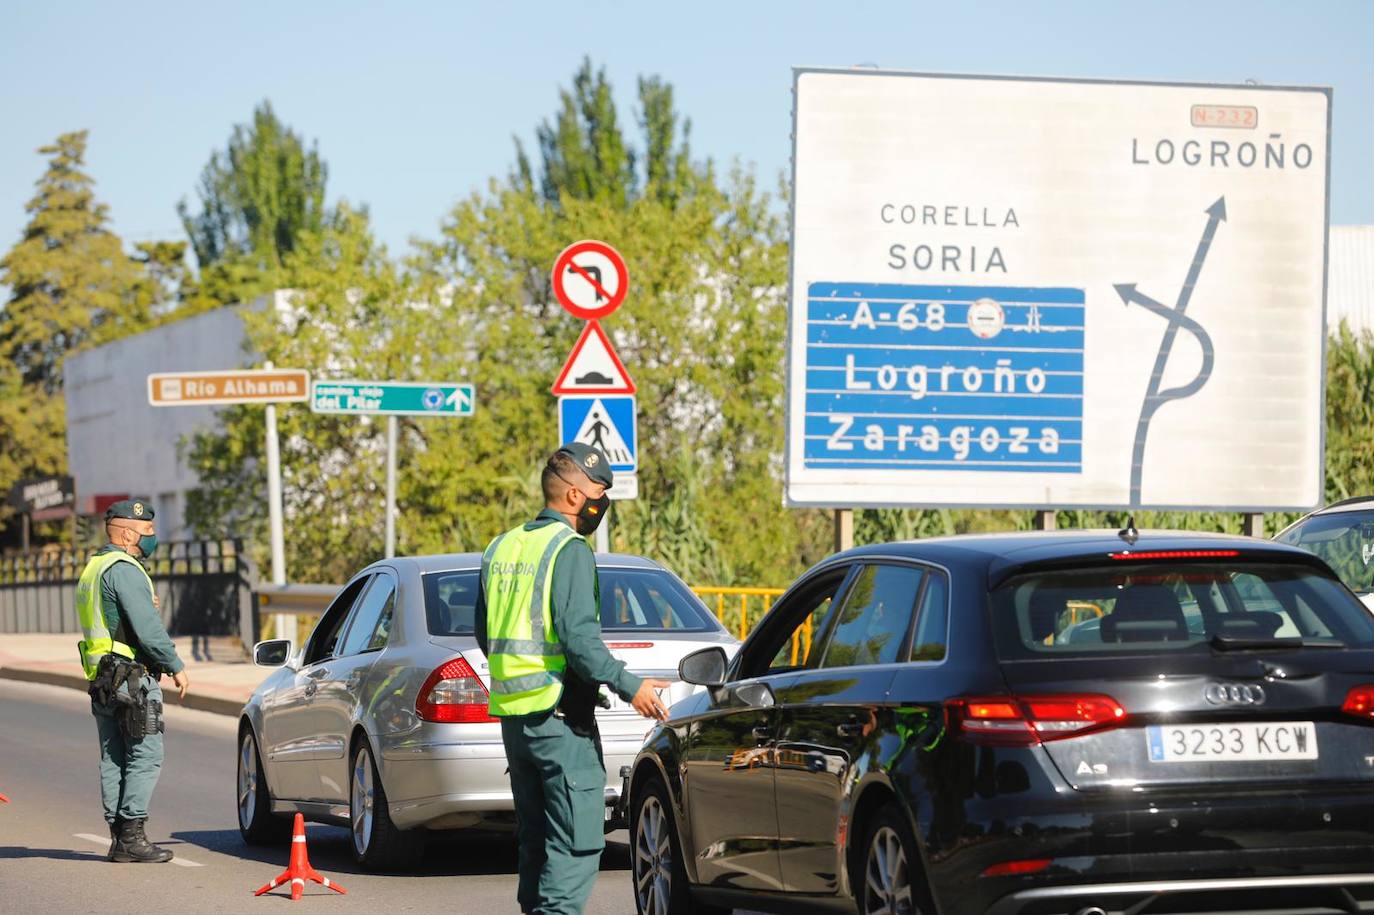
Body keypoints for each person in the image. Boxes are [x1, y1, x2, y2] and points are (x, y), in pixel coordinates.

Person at [476, 443, 670, 914]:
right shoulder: (570, 550)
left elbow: (484, 634)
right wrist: (633, 686)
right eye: (599, 492)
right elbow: (581, 645)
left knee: (537, 841)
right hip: (561, 720)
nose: (603, 503)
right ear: (574, 496)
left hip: (516, 722)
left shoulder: (502, 547)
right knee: (577, 844)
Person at [75, 499, 189, 864]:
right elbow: (147, 629)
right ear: (126, 534)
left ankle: (118, 838)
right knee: (145, 754)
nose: (153, 538)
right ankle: (132, 836)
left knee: (113, 756)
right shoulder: (124, 569)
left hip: (103, 678)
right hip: (132, 677)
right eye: (147, 532)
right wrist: (174, 664)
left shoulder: (95, 566)